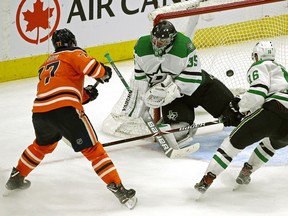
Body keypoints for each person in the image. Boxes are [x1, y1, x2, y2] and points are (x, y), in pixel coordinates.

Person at [4, 28, 137, 209]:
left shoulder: (44, 64)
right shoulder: (73, 52)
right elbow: (92, 68)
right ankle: (118, 188)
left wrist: (85, 95)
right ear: (73, 41)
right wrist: (104, 72)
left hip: (40, 112)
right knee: (93, 150)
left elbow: (57, 89)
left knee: (42, 145)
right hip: (65, 110)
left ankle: (17, 177)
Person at [121, 20, 242, 150]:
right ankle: (170, 124)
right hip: (173, 98)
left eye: (163, 42)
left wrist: (170, 91)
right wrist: (144, 97)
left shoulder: (184, 46)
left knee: (234, 114)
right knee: (177, 133)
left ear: (172, 40)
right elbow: (140, 77)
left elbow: (192, 76)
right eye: (155, 40)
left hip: (199, 88)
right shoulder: (141, 47)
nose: (157, 44)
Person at [194, 41, 288, 195]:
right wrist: (246, 110)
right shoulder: (283, 72)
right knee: (269, 145)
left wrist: (237, 108)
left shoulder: (260, 66)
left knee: (231, 144)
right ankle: (246, 172)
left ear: (256, 55)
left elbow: (258, 94)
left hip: (274, 111)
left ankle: (207, 180)